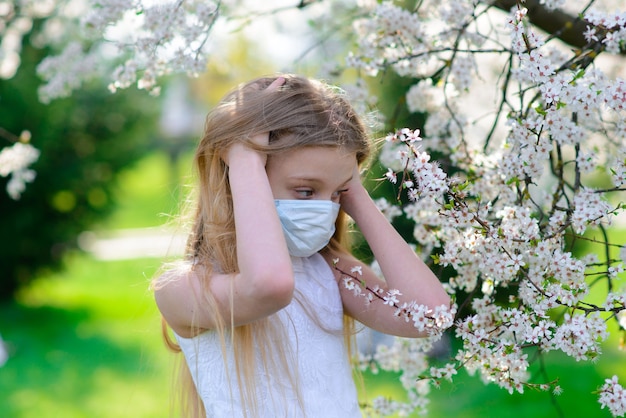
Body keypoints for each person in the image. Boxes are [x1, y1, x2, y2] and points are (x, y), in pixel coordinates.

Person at [152, 74, 450, 418]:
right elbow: (269, 286)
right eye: (306, 191)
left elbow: (430, 315)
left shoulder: (331, 271)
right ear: (238, 177)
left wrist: (355, 192)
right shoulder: (183, 288)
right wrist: (245, 158)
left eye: (336, 193)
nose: (325, 208)